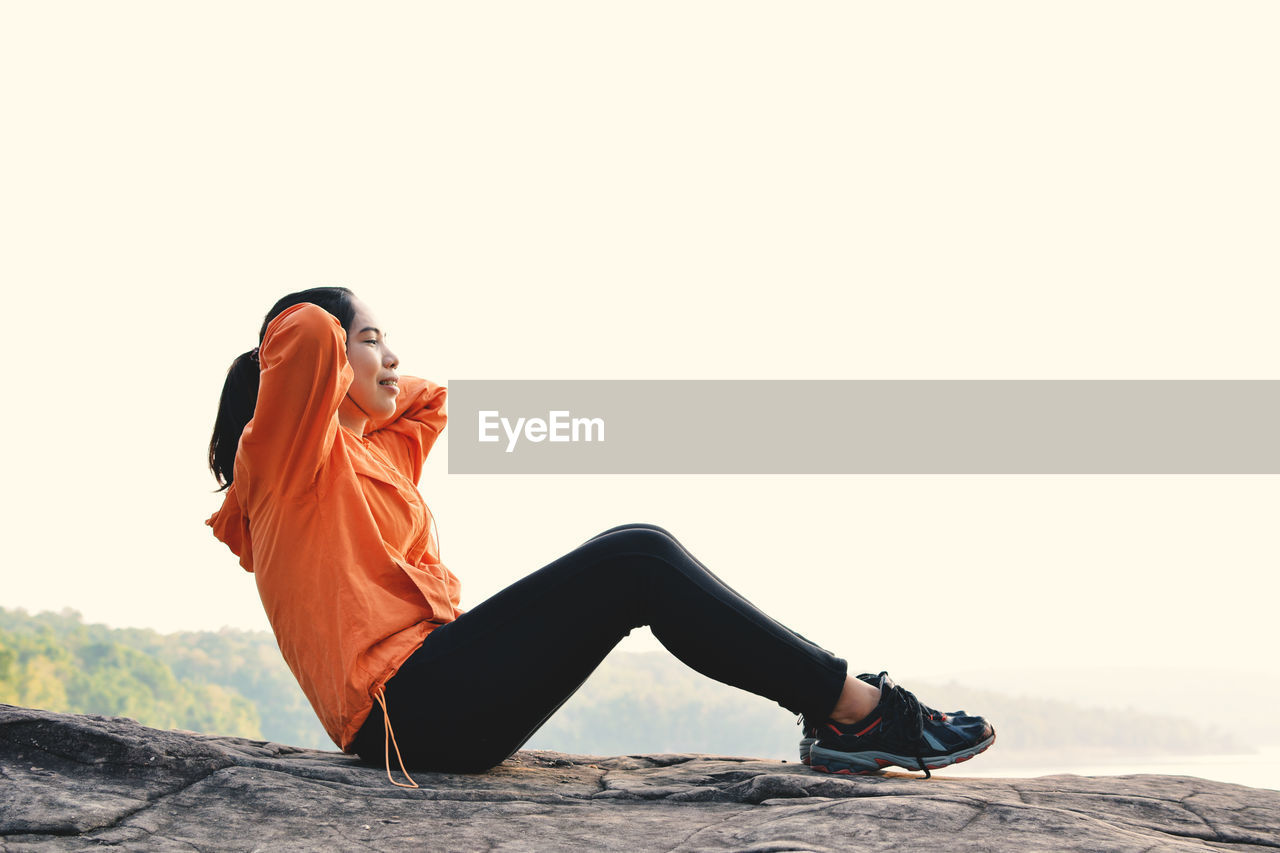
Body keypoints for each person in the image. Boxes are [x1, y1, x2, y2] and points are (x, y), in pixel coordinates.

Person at [206, 287, 995, 786]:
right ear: (323, 364)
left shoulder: (370, 451)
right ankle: (854, 712)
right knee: (637, 556)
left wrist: (365, 368)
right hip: (405, 711)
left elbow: (431, 400)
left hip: (436, 700)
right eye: (375, 336)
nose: (394, 354)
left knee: (635, 552)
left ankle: (847, 715)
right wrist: (340, 336)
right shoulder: (279, 462)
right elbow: (307, 326)